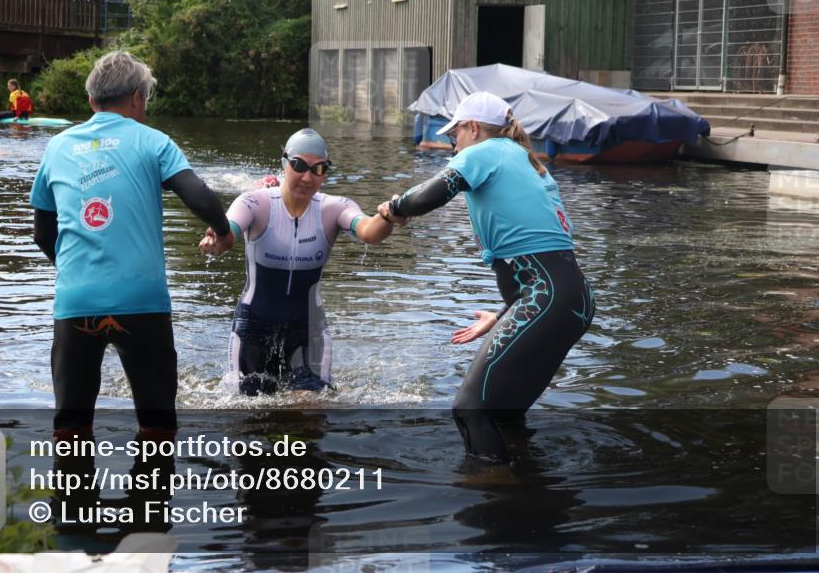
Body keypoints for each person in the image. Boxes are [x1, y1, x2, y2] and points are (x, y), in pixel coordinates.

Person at [378, 91, 595, 460]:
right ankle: (524, 482)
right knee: (503, 415)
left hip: (546, 299)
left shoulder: (485, 151)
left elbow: (429, 195)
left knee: (470, 410)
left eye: (455, 135)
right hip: (571, 299)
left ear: (474, 128)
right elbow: (546, 260)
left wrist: (393, 208)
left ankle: (493, 485)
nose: (454, 144)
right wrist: (503, 315)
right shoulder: (527, 161)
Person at [30, 51, 231, 437]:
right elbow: (201, 197)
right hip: (142, 303)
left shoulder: (57, 147)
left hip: (77, 301)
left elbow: (42, 233)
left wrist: (76, 272)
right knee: (158, 428)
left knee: (70, 429)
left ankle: (72, 476)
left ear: (92, 100)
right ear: (138, 97)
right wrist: (223, 232)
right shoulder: (154, 141)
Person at [199, 129, 398, 396]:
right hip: (254, 328)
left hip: (308, 328)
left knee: (309, 407)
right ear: (284, 162)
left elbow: (369, 232)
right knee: (250, 412)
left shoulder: (334, 208)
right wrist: (217, 240)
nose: (307, 177)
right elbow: (230, 230)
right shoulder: (255, 203)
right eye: (299, 166)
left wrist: (388, 216)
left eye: (318, 169)